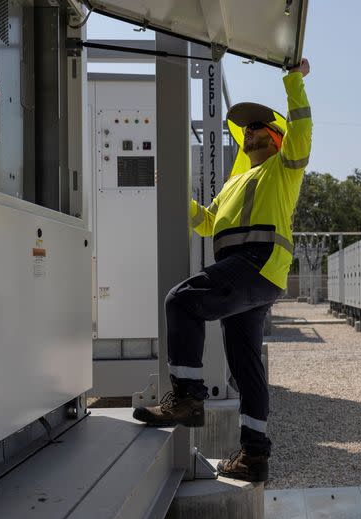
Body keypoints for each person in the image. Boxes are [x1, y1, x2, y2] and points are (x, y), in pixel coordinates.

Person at [133, 59, 312, 483]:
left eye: (255, 127)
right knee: (245, 366)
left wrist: (293, 81)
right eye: (245, 128)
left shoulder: (284, 169)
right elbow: (207, 221)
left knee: (181, 301)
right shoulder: (235, 184)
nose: (247, 132)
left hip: (257, 266)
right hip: (247, 274)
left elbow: (302, 127)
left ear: (273, 137)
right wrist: (173, 191)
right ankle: (254, 456)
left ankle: (187, 396)